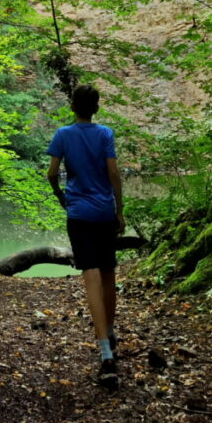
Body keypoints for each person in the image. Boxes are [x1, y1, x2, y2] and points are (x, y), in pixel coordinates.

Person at [46, 84, 124, 390]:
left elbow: (52, 174)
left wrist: (61, 197)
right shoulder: (105, 134)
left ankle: (105, 351)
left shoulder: (63, 134)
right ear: (97, 107)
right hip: (104, 213)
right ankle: (111, 330)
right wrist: (119, 211)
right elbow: (114, 174)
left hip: (78, 215)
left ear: (72, 107)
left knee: (90, 274)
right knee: (108, 273)